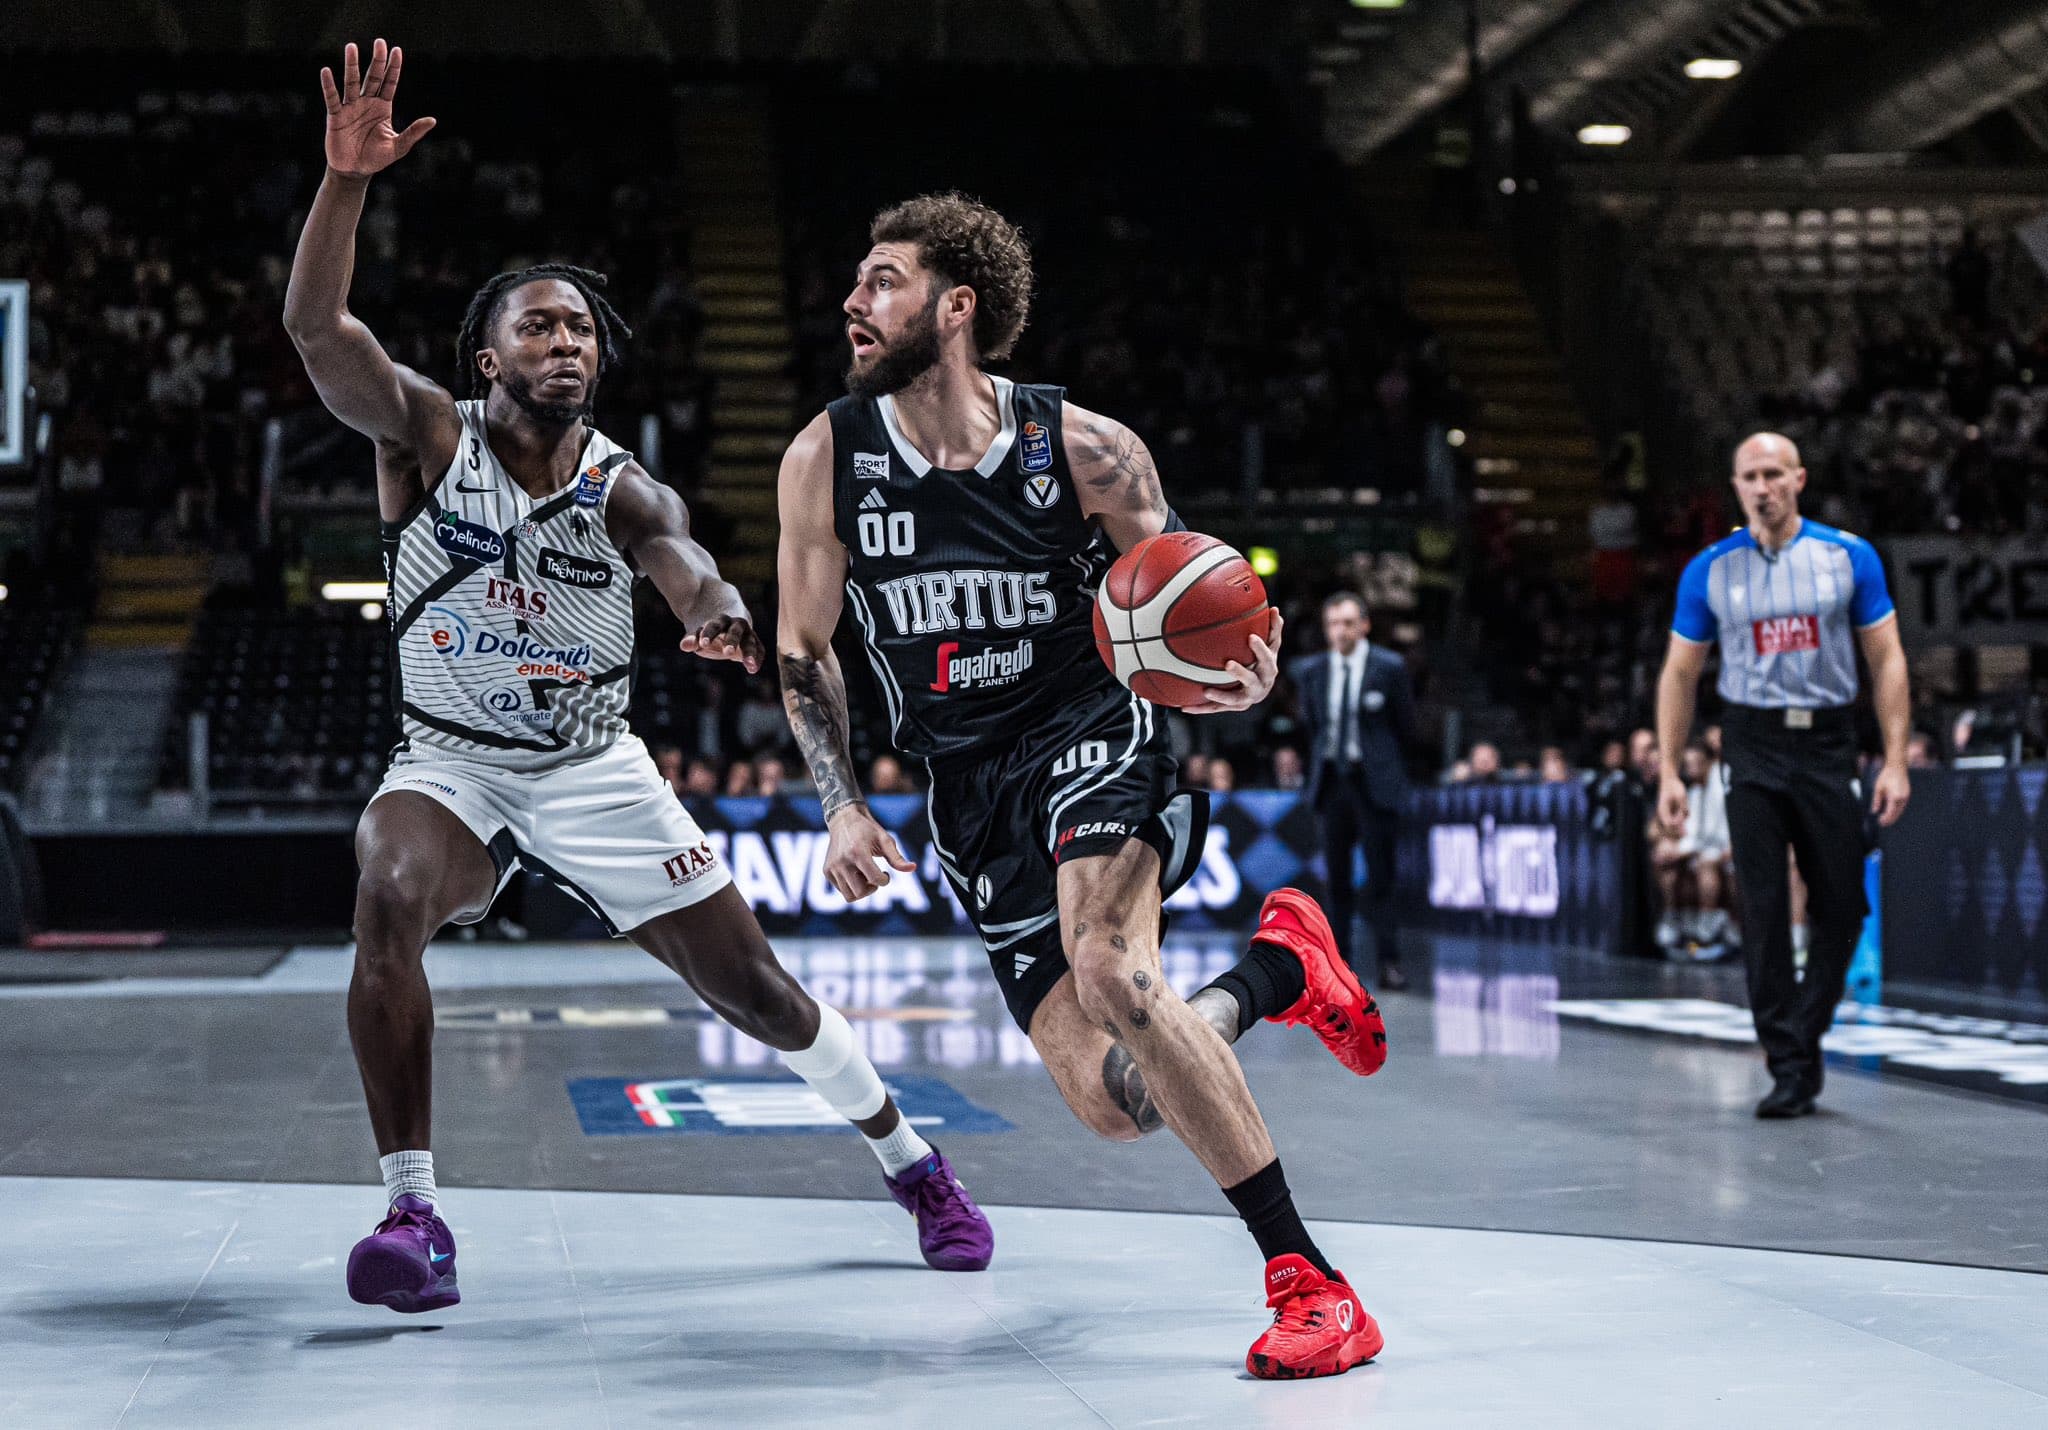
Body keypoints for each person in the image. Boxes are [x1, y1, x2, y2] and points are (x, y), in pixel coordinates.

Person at [285, 42, 991, 1314]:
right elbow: (316, 328)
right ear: (487, 355)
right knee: (385, 890)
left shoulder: (623, 481)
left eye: (579, 329)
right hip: (450, 758)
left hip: (591, 764)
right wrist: (345, 186)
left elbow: (682, 560)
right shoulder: (426, 435)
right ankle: (415, 1214)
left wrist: (714, 613)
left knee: (758, 992)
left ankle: (911, 1160)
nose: (565, 342)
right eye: (536, 324)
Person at [775, 193, 1387, 1379]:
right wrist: (841, 801)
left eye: (882, 279)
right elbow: (804, 650)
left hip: (1092, 727)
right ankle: (1280, 967)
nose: (853, 301)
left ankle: (1309, 1280)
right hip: (968, 787)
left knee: (1110, 964)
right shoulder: (824, 458)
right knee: (1115, 1096)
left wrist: (1235, 669)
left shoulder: (1086, 448)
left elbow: (1187, 594)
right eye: (855, 281)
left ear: (955, 308)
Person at [1656, 431, 1912, 1119]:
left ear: (1799, 479)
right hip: (1753, 743)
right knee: (1763, 906)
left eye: (1774, 473)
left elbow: (1886, 659)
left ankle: (1804, 1026)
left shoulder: (1847, 557)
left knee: (1844, 904)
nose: (1762, 486)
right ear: (1735, 487)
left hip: (1828, 742)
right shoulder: (1710, 569)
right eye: (1749, 476)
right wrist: (1672, 773)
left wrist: (1893, 758)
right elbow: (1681, 671)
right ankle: (1789, 1062)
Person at [1291, 591, 1417, 991]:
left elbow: (1406, 727)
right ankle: (1338, 965)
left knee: (1382, 877)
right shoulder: (1311, 671)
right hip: (1332, 782)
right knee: (1337, 880)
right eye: (1332, 624)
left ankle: (1389, 961)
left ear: (1364, 625)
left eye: (1347, 622)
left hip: (1373, 782)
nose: (1339, 631)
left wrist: (1389, 770)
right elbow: (1311, 726)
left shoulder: (1389, 666)